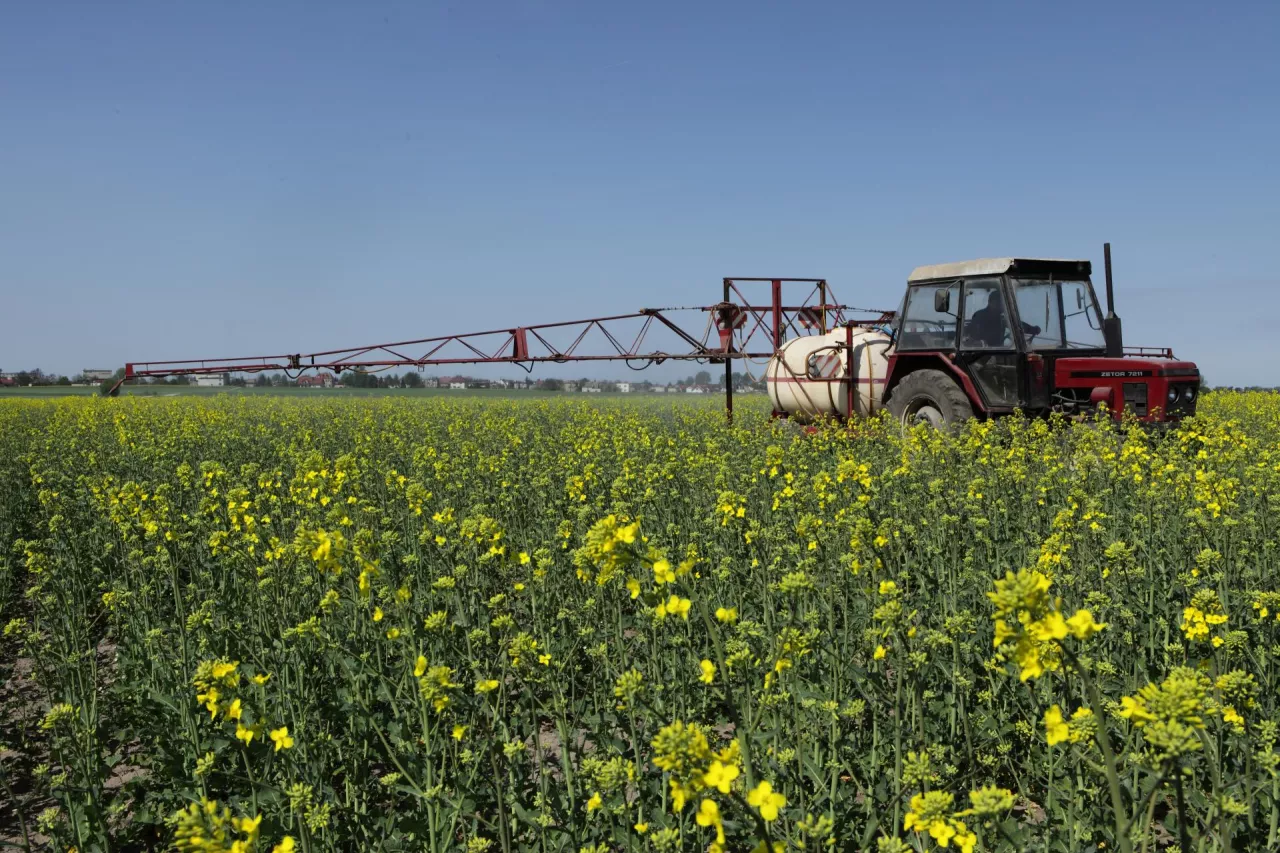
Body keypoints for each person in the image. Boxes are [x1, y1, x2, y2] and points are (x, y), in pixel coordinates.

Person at [967, 292, 1040, 347]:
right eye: (999, 303)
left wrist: (1032, 329)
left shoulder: (1001, 318)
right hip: (981, 353)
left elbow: (1017, 325)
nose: (1002, 306)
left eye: (1002, 304)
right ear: (990, 302)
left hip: (999, 352)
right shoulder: (979, 316)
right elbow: (973, 335)